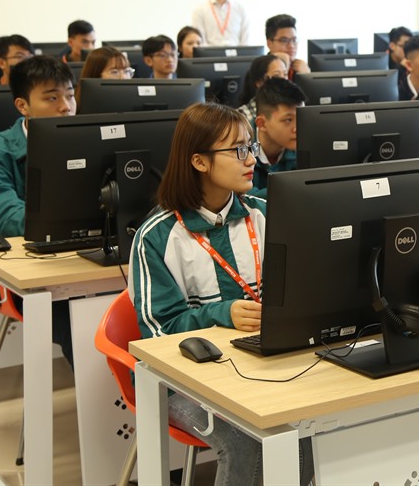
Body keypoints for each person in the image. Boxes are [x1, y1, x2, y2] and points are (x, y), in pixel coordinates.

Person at [129, 102, 312, 485]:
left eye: (251, 147)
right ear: (198, 162)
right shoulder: (158, 235)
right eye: (237, 150)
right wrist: (220, 313)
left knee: (311, 427)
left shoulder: (266, 215)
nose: (251, 160)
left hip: (261, 363)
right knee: (245, 439)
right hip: (180, 382)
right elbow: (159, 333)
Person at [0, 55, 76, 364]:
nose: (65, 106)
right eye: (52, 97)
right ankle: (114, 406)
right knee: (75, 317)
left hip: (83, 261)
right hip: (27, 273)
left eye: (70, 95)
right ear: (22, 106)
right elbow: (2, 213)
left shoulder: (88, 139)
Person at [246, 77, 306, 199]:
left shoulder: (309, 145)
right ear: (262, 124)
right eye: (288, 120)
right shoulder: (239, 148)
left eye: (301, 117)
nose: (297, 128)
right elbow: (243, 195)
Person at [237, 54, 289, 122]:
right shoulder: (242, 116)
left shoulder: (292, 109)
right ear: (259, 82)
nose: (284, 80)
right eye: (276, 75)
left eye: (285, 74)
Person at [264, 13, 309, 79]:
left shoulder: (302, 69)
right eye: (284, 40)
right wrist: (284, 70)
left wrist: (307, 77)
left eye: (294, 40)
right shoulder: (260, 70)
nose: (291, 46)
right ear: (269, 43)